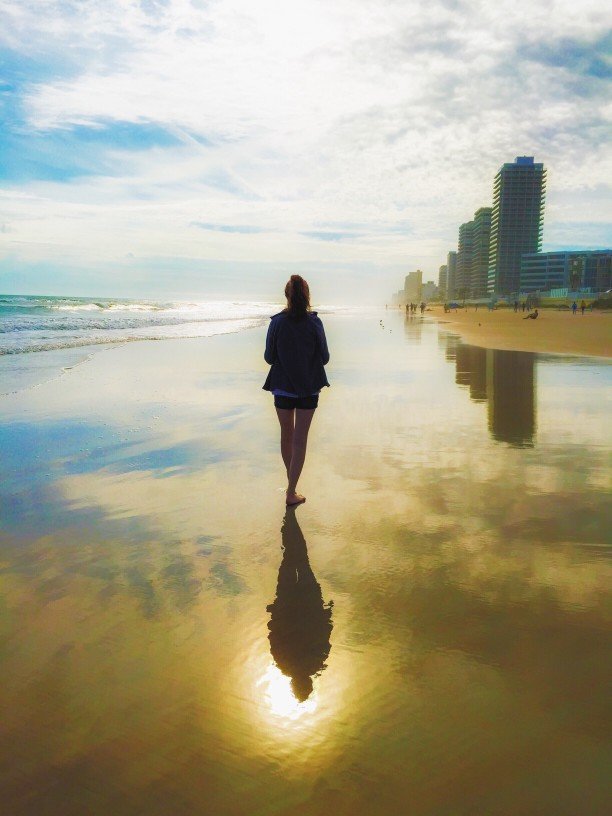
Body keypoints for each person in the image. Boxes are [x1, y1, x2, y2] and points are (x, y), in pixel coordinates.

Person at [263, 275, 330, 506]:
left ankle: (291, 486)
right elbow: (325, 357)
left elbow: (269, 357)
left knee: (287, 436)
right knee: (300, 440)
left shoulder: (277, 322)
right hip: (309, 387)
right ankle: (291, 490)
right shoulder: (314, 323)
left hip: (282, 386)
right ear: (307, 296)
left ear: (286, 295)